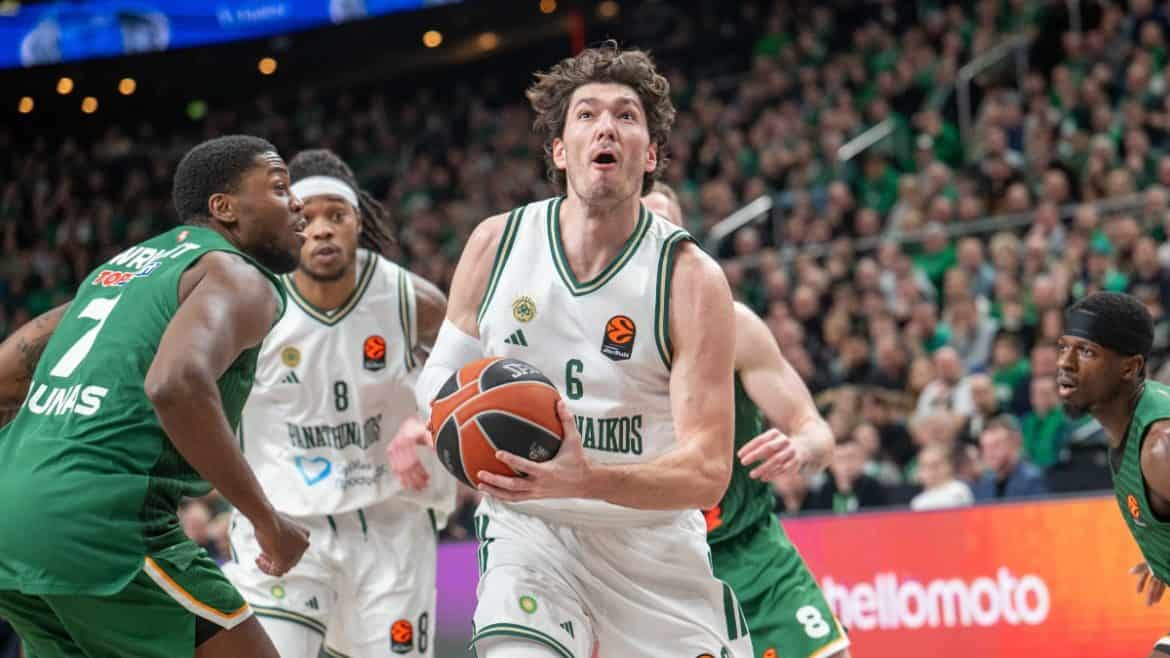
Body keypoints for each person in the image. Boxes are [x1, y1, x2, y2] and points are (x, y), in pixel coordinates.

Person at [413, 42, 751, 658]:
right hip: (530, 534)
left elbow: (708, 472)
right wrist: (432, 424)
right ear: (560, 150)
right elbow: (441, 375)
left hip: (651, 547)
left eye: (626, 116)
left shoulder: (690, 278)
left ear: (651, 155)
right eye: (587, 114)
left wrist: (588, 478)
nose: (607, 127)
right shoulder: (496, 244)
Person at [0, 135, 311, 658]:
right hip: (100, 524)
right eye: (280, 187)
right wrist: (267, 521)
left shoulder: (120, 271)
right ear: (224, 208)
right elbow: (176, 384)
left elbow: (6, 375)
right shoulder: (239, 275)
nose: (297, 203)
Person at [222, 149, 455, 658]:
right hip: (284, 526)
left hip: (391, 523)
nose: (323, 229)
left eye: (337, 215)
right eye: (308, 217)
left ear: (358, 221)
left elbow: (469, 378)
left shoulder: (412, 301)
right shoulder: (252, 303)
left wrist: (430, 420)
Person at [644, 183, 851, 658]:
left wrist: (800, 448)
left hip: (749, 546)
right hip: (659, 566)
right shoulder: (595, 343)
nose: (656, 239)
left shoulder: (732, 326)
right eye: (643, 226)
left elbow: (815, 430)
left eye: (666, 226)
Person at [1056, 291, 1170, 656]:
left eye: (1087, 352)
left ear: (1129, 368)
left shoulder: (1160, 446)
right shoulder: (1133, 424)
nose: (1065, 363)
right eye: (1064, 347)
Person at [972, 415, 1049, 501]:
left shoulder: (1032, 480)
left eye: (996, 445)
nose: (990, 453)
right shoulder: (984, 484)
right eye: (985, 447)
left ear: (1015, 443)